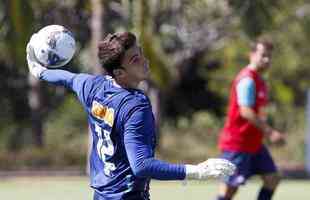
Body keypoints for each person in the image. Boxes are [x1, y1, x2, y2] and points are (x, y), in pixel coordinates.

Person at [26, 31, 235, 200]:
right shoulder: (135, 107)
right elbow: (142, 165)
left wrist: (39, 71)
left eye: (141, 53)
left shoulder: (92, 86)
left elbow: (67, 78)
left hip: (101, 195)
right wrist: (196, 171)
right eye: (135, 59)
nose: (145, 61)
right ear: (119, 73)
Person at [216, 38, 286, 200]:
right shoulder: (247, 80)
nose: (267, 59)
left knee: (272, 178)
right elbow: (246, 112)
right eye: (263, 55)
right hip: (238, 144)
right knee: (228, 191)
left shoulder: (260, 80)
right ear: (252, 55)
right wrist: (270, 132)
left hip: (254, 144)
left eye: (269, 56)